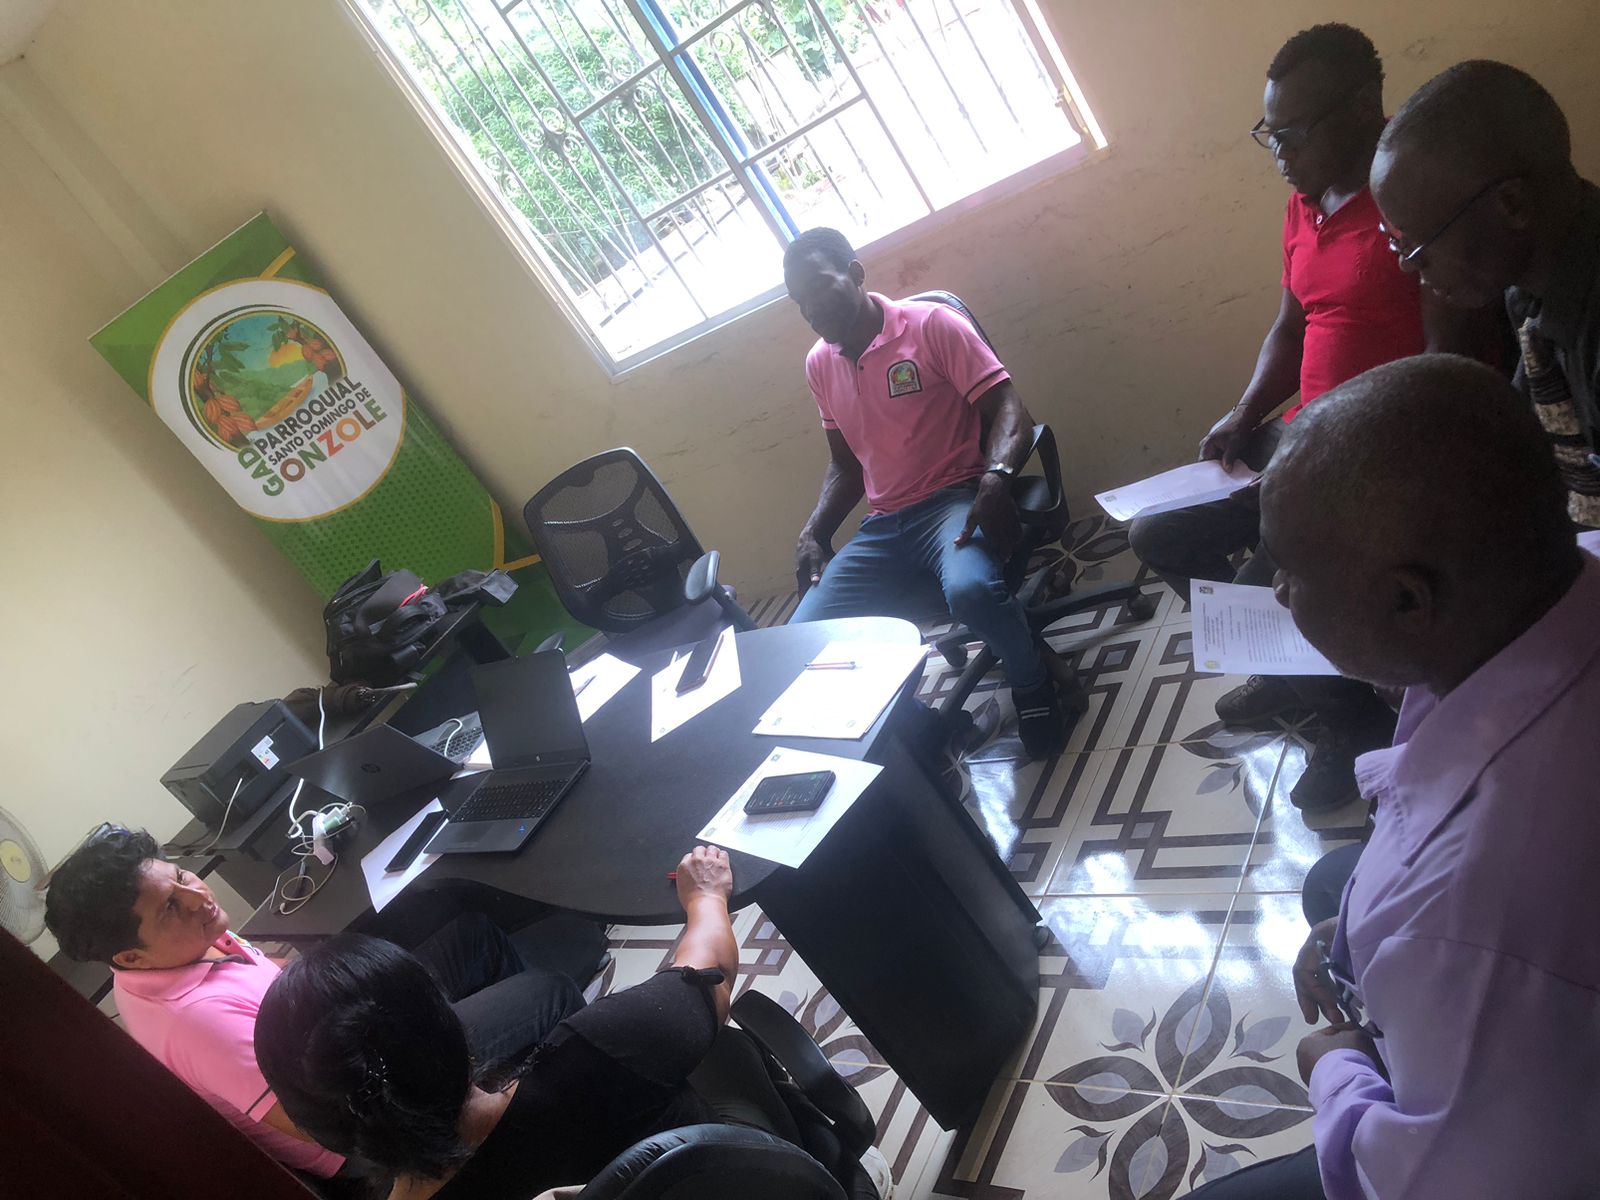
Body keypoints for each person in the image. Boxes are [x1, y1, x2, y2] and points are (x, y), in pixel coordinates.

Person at [1190, 354, 1600, 1199]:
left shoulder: (1465, 918)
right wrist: (1357, 930)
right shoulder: (1556, 587)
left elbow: (1443, 1183)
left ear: (1408, 601)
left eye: (1292, 573)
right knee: (1333, 886)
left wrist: (1336, 1068)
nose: (1278, 591)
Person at [1127, 24, 1495, 811]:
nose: (1280, 155)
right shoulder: (1303, 205)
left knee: (1269, 595)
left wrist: (1354, 456)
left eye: (1293, 133)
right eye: (1271, 134)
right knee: (1157, 536)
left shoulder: (1409, 202)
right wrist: (1245, 412)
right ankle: (1296, 673)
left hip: (1371, 458)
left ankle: (1351, 722)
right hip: (1299, 437)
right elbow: (1291, 326)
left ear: (1362, 109)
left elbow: (1450, 365)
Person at [255, 846, 889, 1200]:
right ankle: (833, 1159)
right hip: (755, 1184)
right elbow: (710, 974)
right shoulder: (599, 1054)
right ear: (449, 1022)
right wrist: (705, 897)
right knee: (723, 1046)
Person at [44, 826, 589, 1179]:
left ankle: (512, 1092)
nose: (198, 896)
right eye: (169, 906)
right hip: (366, 1109)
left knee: (474, 935)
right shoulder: (195, 1023)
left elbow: (275, 976)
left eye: (183, 876)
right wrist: (423, 1044)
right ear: (130, 956)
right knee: (548, 990)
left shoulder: (182, 945)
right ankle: (541, 1122)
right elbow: (325, 1123)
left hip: (346, 1026)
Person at [782, 226, 1073, 758]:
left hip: (951, 503)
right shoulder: (819, 363)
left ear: (855, 272)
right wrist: (812, 531)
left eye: (820, 286)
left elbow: (1011, 409)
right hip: (883, 525)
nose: (812, 309)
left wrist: (996, 477)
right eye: (800, 301)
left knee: (971, 592)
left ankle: (1034, 686)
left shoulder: (932, 325)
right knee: (803, 643)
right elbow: (845, 464)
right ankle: (928, 727)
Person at [1370, 59, 1600, 526]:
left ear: (1511, 205)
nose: (1406, 264)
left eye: (1417, 243)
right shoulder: (1528, 294)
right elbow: (1519, 440)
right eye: (1396, 242)